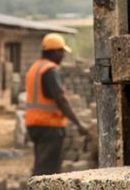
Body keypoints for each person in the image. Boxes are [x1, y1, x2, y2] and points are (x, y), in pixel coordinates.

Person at [23, 32, 89, 176]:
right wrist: (79, 124)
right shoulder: (50, 70)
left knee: (41, 164)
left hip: (34, 123)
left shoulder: (35, 68)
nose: (63, 56)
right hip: (49, 125)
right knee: (48, 170)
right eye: (62, 52)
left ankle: (35, 189)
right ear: (54, 52)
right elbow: (61, 100)